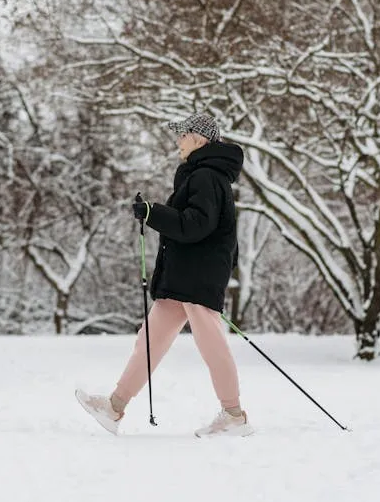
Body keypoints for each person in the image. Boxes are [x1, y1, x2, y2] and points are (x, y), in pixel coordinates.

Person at [76, 112, 253, 438]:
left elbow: (196, 225)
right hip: (184, 278)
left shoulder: (206, 177)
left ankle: (234, 415)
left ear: (198, 139)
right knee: (149, 342)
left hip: (197, 278)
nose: (177, 141)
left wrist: (152, 213)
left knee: (212, 344)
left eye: (182, 135)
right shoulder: (203, 176)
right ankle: (114, 408)